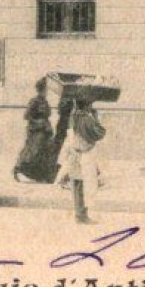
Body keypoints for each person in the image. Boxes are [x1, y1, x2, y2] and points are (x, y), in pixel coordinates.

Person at [57, 96, 105, 224]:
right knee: (85, 186)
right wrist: (96, 118)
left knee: (77, 185)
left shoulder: (73, 117)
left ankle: (79, 214)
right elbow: (99, 133)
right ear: (86, 105)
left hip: (75, 154)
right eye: (90, 104)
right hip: (84, 156)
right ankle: (82, 215)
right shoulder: (85, 119)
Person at [14, 78, 57, 183]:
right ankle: (18, 169)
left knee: (45, 152)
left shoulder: (45, 102)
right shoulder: (34, 101)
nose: (46, 92)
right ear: (40, 90)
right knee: (32, 152)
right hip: (36, 131)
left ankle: (41, 176)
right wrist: (38, 122)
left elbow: (48, 114)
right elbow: (26, 116)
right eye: (45, 90)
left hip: (45, 130)